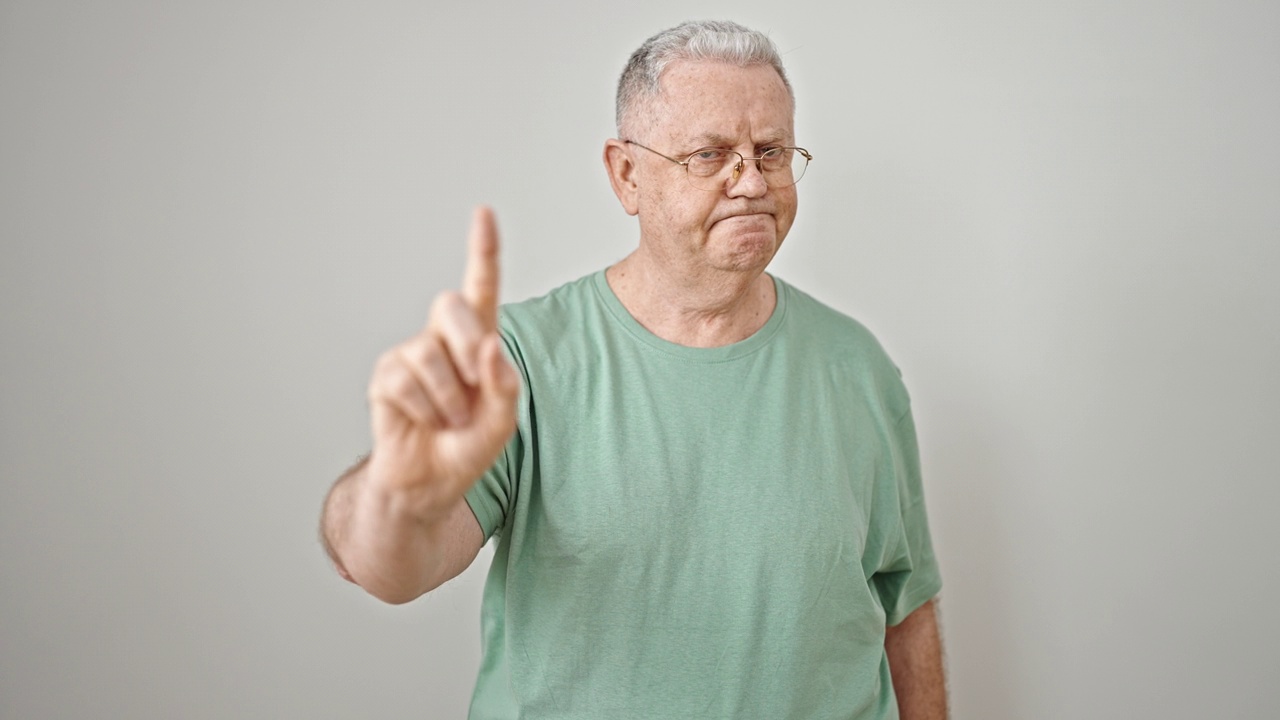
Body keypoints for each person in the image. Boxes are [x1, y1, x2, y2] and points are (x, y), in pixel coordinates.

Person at [321, 19, 947, 720]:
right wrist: (392, 495)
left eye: (770, 152)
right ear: (627, 174)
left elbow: (906, 606)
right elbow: (388, 569)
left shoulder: (859, 368)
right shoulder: (520, 363)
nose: (751, 182)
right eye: (710, 155)